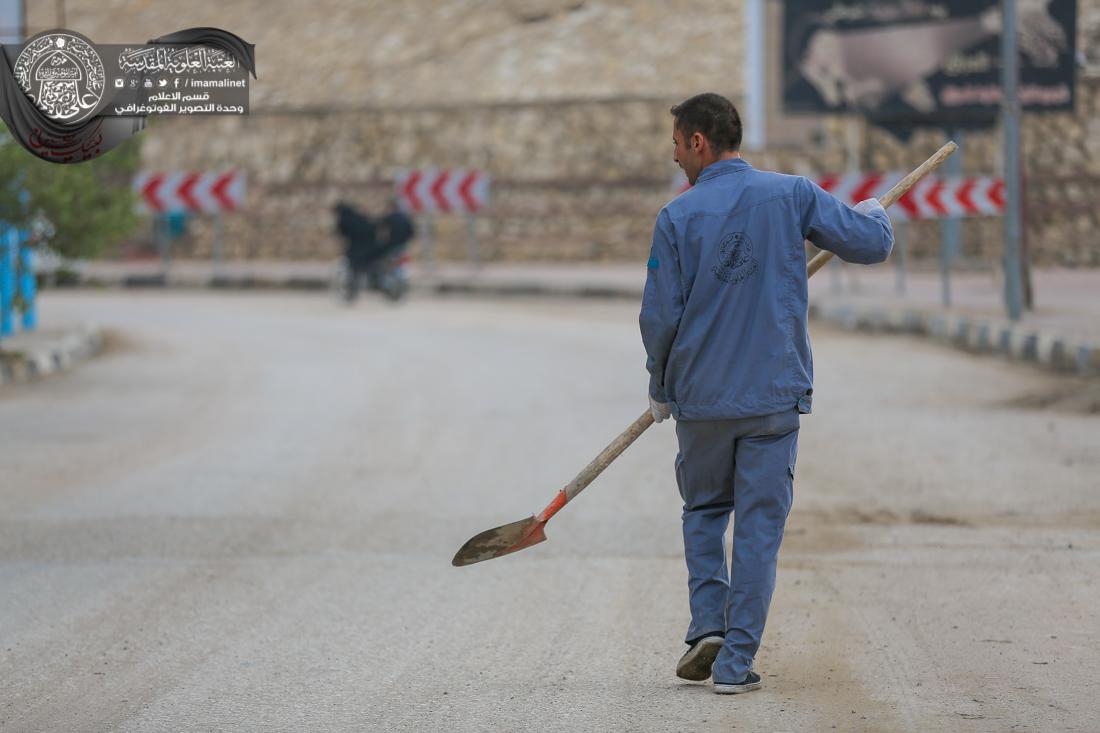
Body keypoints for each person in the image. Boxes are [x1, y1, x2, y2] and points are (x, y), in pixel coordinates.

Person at [639, 93, 893, 695]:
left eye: (676, 142)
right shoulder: (793, 194)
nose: (674, 155)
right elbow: (871, 244)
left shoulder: (676, 218)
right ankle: (733, 664)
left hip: (701, 402)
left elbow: (660, 319)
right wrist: (875, 211)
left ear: (699, 141)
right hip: (772, 401)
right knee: (757, 529)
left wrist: (659, 385)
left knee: (703, 512)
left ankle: (708, 626)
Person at [333, 201, 378, 301]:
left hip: (356, 246)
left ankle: (353, 289)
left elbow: (341, 233)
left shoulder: (344, 219)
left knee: (354, 267)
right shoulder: (359, 217)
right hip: (369, 244)